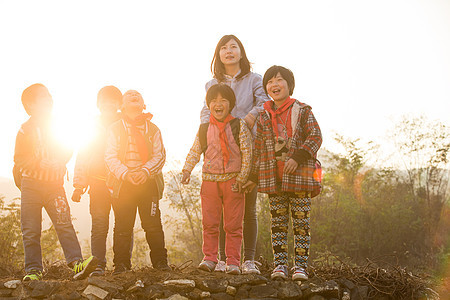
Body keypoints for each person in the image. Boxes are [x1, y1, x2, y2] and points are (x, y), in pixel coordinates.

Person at [244, 66, 322, 281]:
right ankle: (280, 265)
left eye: (279, 80)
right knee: (277, 224)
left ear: (289, 85)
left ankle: (300, 267)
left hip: (299, 179)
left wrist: (297, 157)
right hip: (273, 179)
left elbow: (315, 136)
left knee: (301, 225)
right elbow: (258, 147)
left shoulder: (302, 110)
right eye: (270, 81)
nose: (274, 85)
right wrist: (252, 177)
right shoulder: (264, 115)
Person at [200, 34, 270, 274]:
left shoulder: (254, 79)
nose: (228, 51)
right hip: (219, 152)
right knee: (220, 209)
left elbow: (265, 103)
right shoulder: (211, 84)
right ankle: (222, 260)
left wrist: (247, 119)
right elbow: (205, 112)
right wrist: (205, 136)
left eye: (233, 46)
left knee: (247, 206)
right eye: (223, 48)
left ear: (241, 52)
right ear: (218, 54)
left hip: (248, 145)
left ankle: (248, 259)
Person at [13, 83, 98, 281]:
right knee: (31, 229)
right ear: (31, 105)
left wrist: (59, 161)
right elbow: (19, 158)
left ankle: (76, 263)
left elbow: (68, 147)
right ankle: (33, 270)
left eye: (50, 96)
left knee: (64, 223)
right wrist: (38, 162)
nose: (49, 99)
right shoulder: (25, 130)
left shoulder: (59, 124)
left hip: (54, 186)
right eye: (44, 97)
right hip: (30, 186)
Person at [182, 83, 252, 275]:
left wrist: (242, 177)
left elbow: (247, 153)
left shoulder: (239, 125)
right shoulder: (204, 128)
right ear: (208, 105)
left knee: (233, 224)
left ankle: (233, 261)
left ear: (231, 104)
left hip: (233, 182)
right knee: (210, 222)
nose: (218, 104)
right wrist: (187, 169)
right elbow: (195, 150)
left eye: (223, 100)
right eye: (213, 101)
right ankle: (210, 258)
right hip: (210, 181)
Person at [105, 90, 170, 274]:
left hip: (147, 183)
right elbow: (109, 157)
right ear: (122, 106)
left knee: (153, 224)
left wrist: (145, 171)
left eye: (138, 96)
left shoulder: (153, 129)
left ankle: (160, 262)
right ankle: (121, 264)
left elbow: (160, 155)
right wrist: (125, 173)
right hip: (123, 184)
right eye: (129, 96)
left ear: (144, 105)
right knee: (123, 226)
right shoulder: (115, 129)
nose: (134, 96)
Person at [72, 86, 123, 276]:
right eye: (104, 101)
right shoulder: (92, 127)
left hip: (121, 183)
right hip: (97, 182)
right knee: (99, 224)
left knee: (122, 226)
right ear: (98, 104)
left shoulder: (125, 124)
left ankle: (122, 264)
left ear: (119, 104)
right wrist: (78, 185)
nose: (109, 104)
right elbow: (83, 156)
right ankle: (98, 264)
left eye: (113, 101)